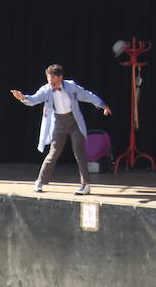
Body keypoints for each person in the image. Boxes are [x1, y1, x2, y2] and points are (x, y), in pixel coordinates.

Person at [10, 63, 110, 194]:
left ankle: (85, 184)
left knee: (79, 153)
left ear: (60, 78)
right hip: (59, 124)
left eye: (53, 78)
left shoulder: (71, 86)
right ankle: (40, 181)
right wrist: (23, 98)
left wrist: (102, 105)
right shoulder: (46, 90)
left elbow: (87, 95)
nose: (50, 81)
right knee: (53, 153)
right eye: (48, 78)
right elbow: (34, 99)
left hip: (74, 123)